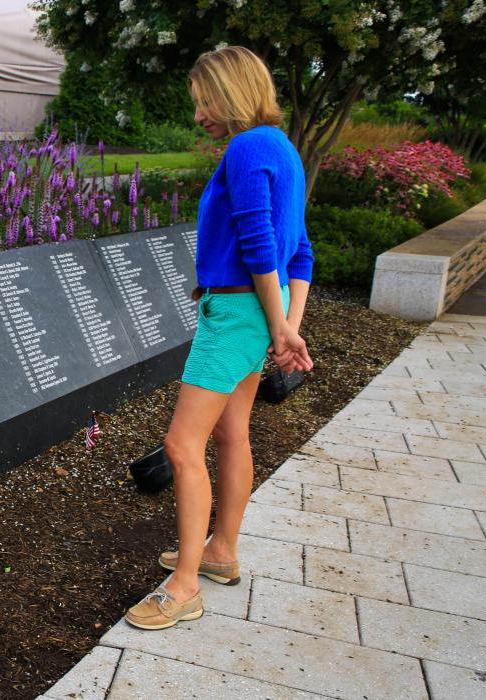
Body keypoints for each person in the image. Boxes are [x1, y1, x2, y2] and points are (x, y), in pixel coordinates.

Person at [124, 46, 315, 630]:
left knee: (182, 446)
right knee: (232, 434)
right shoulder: (283, 149)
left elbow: (261, 245)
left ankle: (183, 588)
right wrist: (286, 321)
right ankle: (220, 552)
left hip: (236, 313)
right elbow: (300, 252)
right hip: (259, 308)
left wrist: (278, 326)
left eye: (204, 99)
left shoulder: (247, 145)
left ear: (229, 92)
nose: (199, 113)